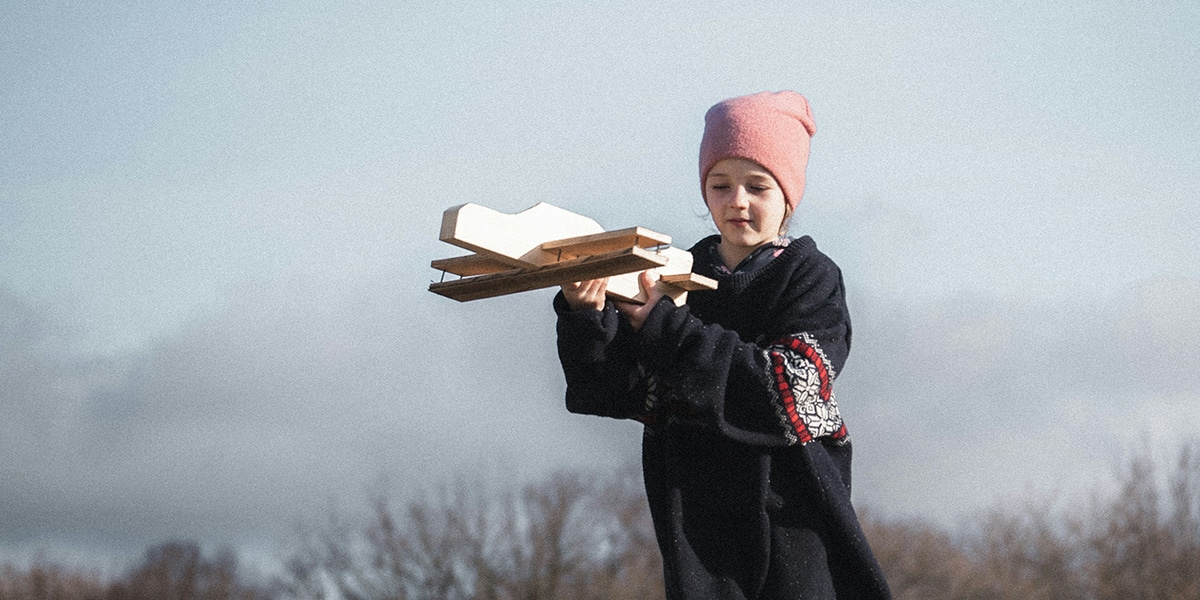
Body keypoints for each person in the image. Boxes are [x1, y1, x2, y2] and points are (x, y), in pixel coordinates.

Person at [553, 91, 892, 599]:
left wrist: (667, 330)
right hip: (699, 535)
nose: (737, 201)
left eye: (757, 186)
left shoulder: (810, 278)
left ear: (787, 196)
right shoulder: (672, 276)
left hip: (793, 526)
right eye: (721, 184)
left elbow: (790, 390)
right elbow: (612, 392)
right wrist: (587, 314)